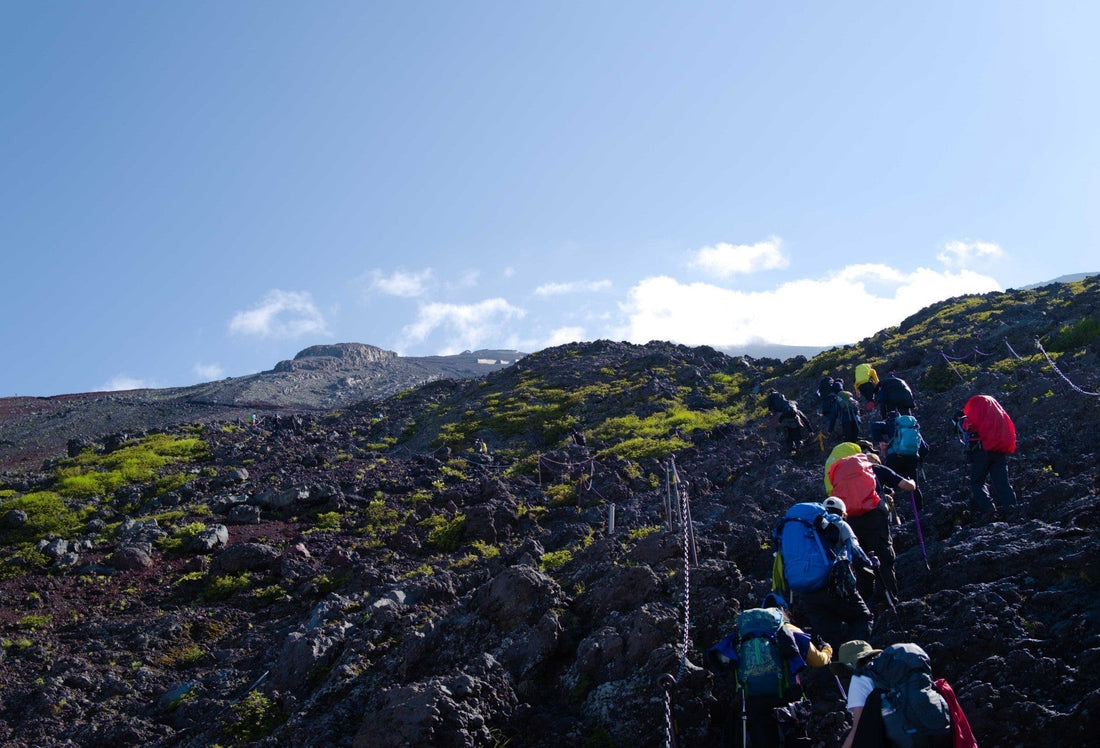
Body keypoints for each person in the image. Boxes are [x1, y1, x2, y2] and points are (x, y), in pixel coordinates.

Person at [708, 593, 833, 748]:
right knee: (795, 740)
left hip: (754, 698)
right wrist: (827, 649)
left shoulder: (743, 635)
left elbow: (720, 660)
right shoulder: (790, 630)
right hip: (788, 696)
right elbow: (819, 661)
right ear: (784, 612)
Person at [828, 452, 916, 608]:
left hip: (851, 519)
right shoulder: (878, 470)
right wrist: (913, 482)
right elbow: (907, 486)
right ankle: (887, 599)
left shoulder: (844, 475)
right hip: (874, 518)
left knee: (860, 560)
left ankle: (866, 600)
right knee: (883, 556)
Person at [795, 497, 877, 652]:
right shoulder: (840, 524)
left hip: (809, 591)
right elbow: (856, 552)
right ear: (843, 513)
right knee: (862, 618)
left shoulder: (807, 529)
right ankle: (854, 658)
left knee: (828, 637)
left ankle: (834, 670)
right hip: (838, 586)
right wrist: (872, 563)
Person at [836, 640, 953, 748]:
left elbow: (858, 729)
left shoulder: (859, 679)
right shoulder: (893, 672)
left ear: (848, 664)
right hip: (932, 728)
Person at [955, 394, 1019, 520]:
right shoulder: (999, 416)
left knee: (977, 481)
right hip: (999, 450)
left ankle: (988, 508)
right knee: (1003, 483)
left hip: (980, 451)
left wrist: (960, 420)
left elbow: (967, 428)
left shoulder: (976, 416)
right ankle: (1012, 509)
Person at [880, 412, 929, 513]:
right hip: (911, 460)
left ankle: (893, 512)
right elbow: (925, 449)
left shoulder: (893, 429)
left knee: (890, 485)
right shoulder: (914, 430)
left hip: (894, 459)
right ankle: (919, 511)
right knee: (914, 486)